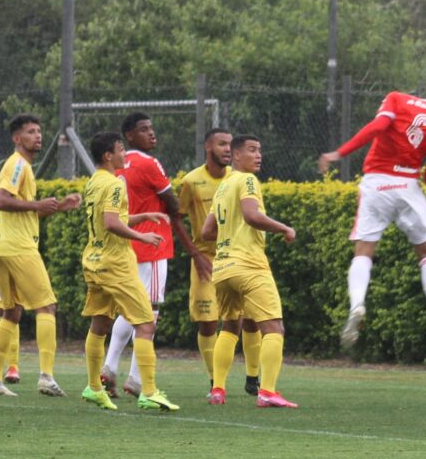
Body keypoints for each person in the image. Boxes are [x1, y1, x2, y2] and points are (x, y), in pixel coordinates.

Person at [317, 81, 426, 356]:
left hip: (376, 182)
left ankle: (357, 305)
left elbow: (375, 129)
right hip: (408, 186)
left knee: (364, 250)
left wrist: (339, 153)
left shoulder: (397, 99)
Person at [100, 112, 201, 398]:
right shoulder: (148, 162)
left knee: (130, 309)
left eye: (152, 129)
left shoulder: (116, 167)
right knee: (149, 312)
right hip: (152, 243)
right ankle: (136, 378)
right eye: (144, 130)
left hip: (127, 243)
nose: (152, 134)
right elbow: (172, 202)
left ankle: (108, 367)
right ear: (129, 136)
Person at [79, 132, 178, 412]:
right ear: (108, 155)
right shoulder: (114, 183)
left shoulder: (94, 181)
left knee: (100, 324)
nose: (125, 155)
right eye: (121, 149)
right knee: (146, 323)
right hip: (116, 263)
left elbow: (110, 219)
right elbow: (112, 223)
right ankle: (148, 391)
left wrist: (144, 216)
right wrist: (142, 236)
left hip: (94, 260)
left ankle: (94, 387)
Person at [202, 134, 298, 408]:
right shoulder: (247, 180)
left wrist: (229, 233)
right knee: (273, 327)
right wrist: (284, 228)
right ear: (235, 155)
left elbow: (207, 231)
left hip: (222, 267)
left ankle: (218, 389)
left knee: (230, 326)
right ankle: (267, 391)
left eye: (260, 150)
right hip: (249, 265)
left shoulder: (223, 186)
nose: (258, 155)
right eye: (252, 150)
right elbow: (252, 216)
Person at [0, 114, 82, 397]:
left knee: (12, 311)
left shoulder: (22, 166)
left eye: (40, 130)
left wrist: (58, 207)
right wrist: (38, 203)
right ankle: (46, 376)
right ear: (17, 139)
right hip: (18, 247)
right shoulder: (18, 164)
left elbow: (23, 208)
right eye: (31, 131)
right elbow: (1, 200)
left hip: (0, 246)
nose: (38, 135)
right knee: (46, 306)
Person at [177, 128, 263, 395]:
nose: (227, 149)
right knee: (209, 322)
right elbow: (177, 217)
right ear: (207, 147)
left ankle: (252, 378)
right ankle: (215, 380)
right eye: (221, 144)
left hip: (237, 255)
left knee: (249, 318)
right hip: (204, 258)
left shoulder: (237, 180)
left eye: (229, 144)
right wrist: (195, 254)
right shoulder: (191, 181)